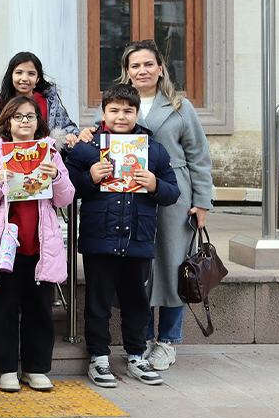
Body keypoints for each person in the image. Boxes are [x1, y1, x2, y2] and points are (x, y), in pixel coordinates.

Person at [65, 84, 179, 389]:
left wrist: (155, 184)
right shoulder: (87, 147)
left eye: (128, 110)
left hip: (138, 239)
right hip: (99, 237)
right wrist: (89, 178)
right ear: (103, 113)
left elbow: (173, 192)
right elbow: (66, 187)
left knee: (137, 302)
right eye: (114, 110)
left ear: (137, 113)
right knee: (98, 301)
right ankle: (98, 357)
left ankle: (136, 355)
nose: (121, 116)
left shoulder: (152, 149)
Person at [117, 40, 213, 371]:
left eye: (148, 64)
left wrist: (202, 202)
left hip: (176, 196)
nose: (142, 71)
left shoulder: (179, 106)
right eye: (135, 66)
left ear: (160, 68)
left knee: (174, 267)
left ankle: (169, 341)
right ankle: (140, 339)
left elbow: (199, 156)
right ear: (127, 71)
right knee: (140, 270)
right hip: (132, 194)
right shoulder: (121, 103)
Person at [0, 96, 74, 393]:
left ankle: (36, 367)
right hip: (6, 245)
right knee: (4, 306)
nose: (25, 122)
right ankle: (6, 367)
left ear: (39, 122)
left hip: (41, 244)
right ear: (7, 122)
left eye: (30, 117)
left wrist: (55, 176)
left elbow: (66, 197)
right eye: (18, 117)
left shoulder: (49, 153)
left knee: (40, 307)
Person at [0, 52, 81, 147]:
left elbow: (69, 128)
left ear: (38, 78)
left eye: (31, 74)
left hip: (43, 157)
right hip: (6, 158)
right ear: (11, 75)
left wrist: (68, 136)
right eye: (19, 73)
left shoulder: (49, 104)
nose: (24, 78)